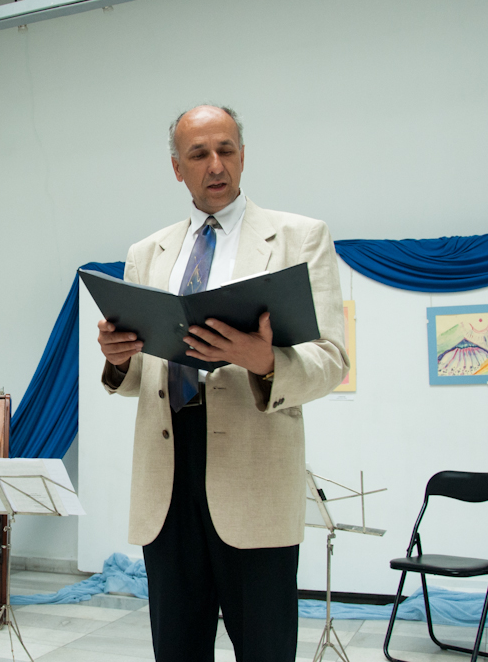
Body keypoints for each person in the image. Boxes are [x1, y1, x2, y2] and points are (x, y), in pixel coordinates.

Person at [97, 105, 349, 662]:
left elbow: (331, 359)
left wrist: (265, 361)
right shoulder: (146, 254)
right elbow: (141, 375)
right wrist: (117, 361)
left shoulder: (300, 237)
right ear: (176, 168)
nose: (216, 165)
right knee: (177, 650)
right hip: (167, 479)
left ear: (242, 155)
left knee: (265, 650)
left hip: (254, 478)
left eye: (226, 150)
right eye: (199, 154)